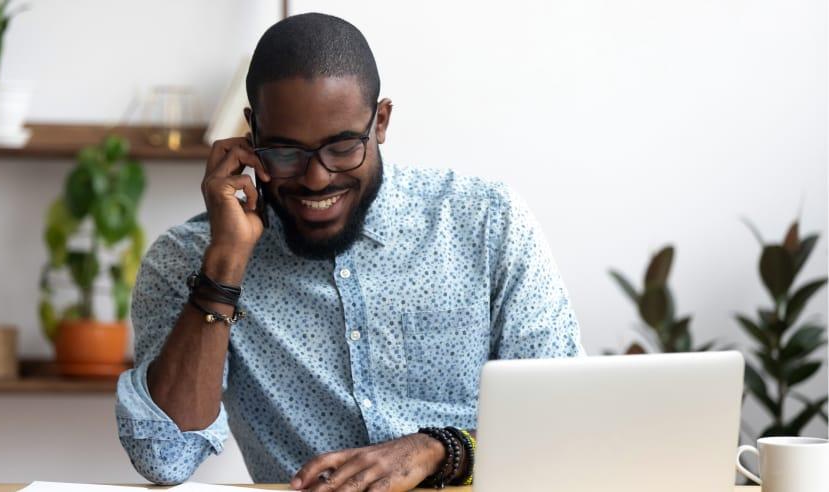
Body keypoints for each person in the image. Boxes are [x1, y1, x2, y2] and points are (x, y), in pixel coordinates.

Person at [115, 12, 584, 492]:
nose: (316, 178)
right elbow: (164, 457)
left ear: (380, 122)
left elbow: (567, 419)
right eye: (285, 151)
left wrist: (438, 449)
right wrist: (225, 265)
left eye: (341, 148)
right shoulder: (188, 259)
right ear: (251, 134)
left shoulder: (486, 222)